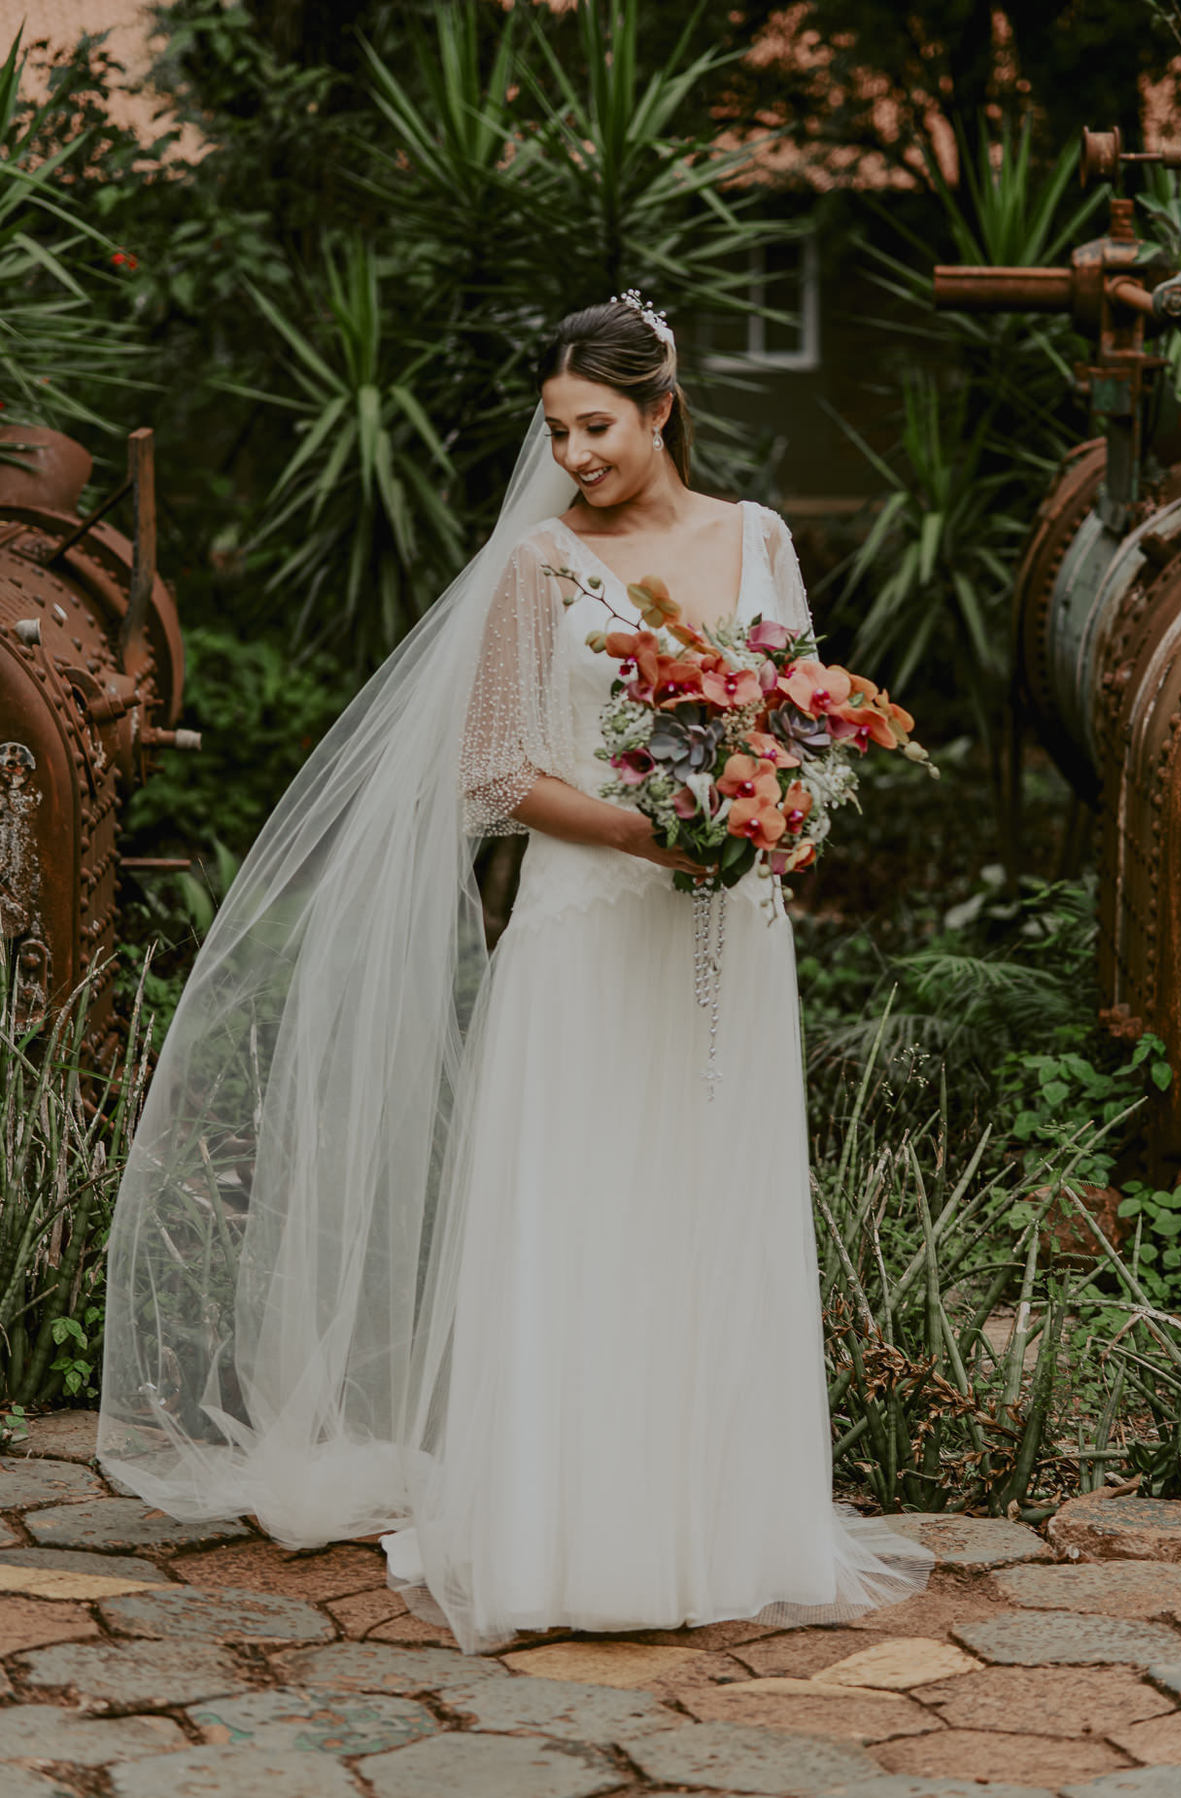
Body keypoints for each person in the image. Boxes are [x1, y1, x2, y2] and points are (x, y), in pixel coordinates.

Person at [99, 293, 931, 1655]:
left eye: (597, 426)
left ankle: (720, 1525)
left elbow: (800, 724)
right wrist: (646, 832)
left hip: (727, 936)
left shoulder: (760, 539)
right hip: (587, 928)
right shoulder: (540, 566)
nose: (575, 454)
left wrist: (777, 815)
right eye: (557, 431)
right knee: (582, 1204)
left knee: (708, 1197)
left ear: (662, 408)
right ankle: (572, 1535)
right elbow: (492, 773)